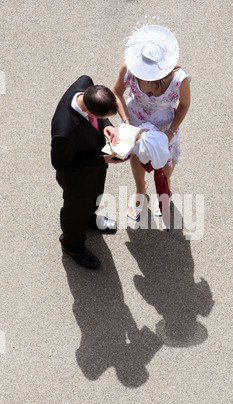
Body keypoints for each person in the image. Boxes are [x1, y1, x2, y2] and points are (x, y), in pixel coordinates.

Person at [113, 24, 192, 220]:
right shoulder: (129, 68)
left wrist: (170, 133)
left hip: (166, 126)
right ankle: (140, 188)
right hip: (135, 121)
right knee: (137, 158)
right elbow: (116, 93)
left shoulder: (179, 80)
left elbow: (184, 104)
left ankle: (163, 190)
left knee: (165, 162)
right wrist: (127, 122)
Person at [51, 75, 123, 270]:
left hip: (95, 168)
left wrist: (106, 125)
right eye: (101, 117)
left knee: (96, 194)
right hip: (77, 180)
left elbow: (99, 119)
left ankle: (90, 219)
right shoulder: (64, 132)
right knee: (76, 212)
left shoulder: (85, 83)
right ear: (89, 111)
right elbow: (61, 164)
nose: (102, 120)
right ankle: (72, 245)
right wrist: (101, 159)